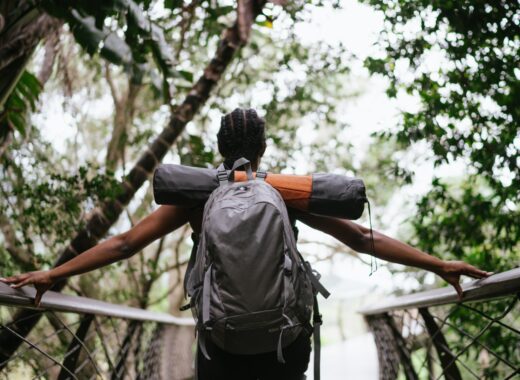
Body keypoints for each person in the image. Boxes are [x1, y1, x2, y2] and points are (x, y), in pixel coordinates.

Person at [0, 108, 492, 380]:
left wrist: (53, 274)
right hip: (286, 339)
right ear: (262, 149)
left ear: (219, 147)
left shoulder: (198, 196)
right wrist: (437, 264)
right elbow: (364, 238)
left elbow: (126, 243)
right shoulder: (286, 193)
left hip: (221, 341)